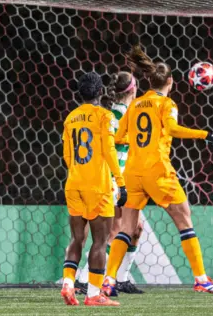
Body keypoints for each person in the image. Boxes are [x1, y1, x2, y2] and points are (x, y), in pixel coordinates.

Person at [102, 46, 213, 294]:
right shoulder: (166, 104)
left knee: (126, 228)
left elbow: (119, 138)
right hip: (157, 171)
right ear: (170, 81)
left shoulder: (136, 104)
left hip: (133, 173)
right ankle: (201, 278)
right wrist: (205, 135)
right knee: (185, 220)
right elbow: (172, 129)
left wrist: (137, 141)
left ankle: (109, 280)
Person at [60, 72, 126, 307]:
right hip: (98, 187)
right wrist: (120, 181)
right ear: (100, 92)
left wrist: (78, 172)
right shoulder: (104, 116)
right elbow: (109, 150)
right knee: (100, 241)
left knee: (77, 238)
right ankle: (93, 294)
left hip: (74, 183)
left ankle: (68, 284)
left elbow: (67, 155)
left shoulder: (70, 118)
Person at [76, 70, 144, 295]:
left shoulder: (125, 113)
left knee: (135, 228)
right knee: (115, 230)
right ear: (133, 89)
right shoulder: (117, 115)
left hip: (126, 178)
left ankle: (121, 278)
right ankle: (85, 278)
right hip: (117, 180)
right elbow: (109, 145)